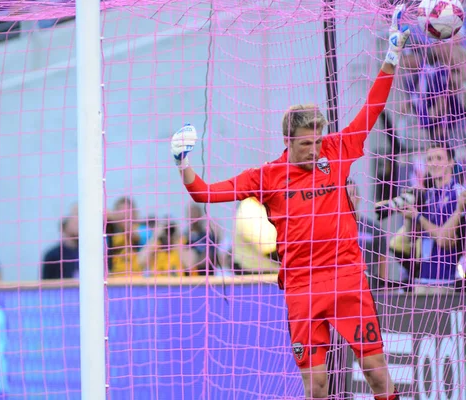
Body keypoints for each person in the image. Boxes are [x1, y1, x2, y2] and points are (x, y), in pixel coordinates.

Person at [170, 6, 410, 399]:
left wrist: (393, 51)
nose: (315, 148)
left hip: (347, 276)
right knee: (316, 386)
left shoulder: (338, 149)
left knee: (377, 374)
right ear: (289, 141)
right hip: (301, 286)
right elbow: (207, 194)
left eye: (318, 140)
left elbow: (372, 108)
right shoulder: (267, 176)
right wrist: (184, 166)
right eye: (306, 143)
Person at [397, 144, 466, 294]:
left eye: (439, 158)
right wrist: (408, 216)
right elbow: (411, 238)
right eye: (429, 159)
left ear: (451, 162)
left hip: (446, 282)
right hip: (422, 279)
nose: (434, 163)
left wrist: (418, 216)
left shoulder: (459, 194)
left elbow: (444, 239)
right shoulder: (427, 195)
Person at [346, 179, 389, 290]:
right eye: (344, 195)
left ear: (359, 198)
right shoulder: (333, 229)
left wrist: (382, 287)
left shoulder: (373, 229)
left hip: (368, 287)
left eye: (351, 194)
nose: (348, 199)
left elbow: (382, 260)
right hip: (342, 286)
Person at [41, 204, 79, 280]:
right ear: (64, 228)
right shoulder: (53, 255)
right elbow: (45, 284)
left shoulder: (89, 253)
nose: (78, 226)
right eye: (75, 222)